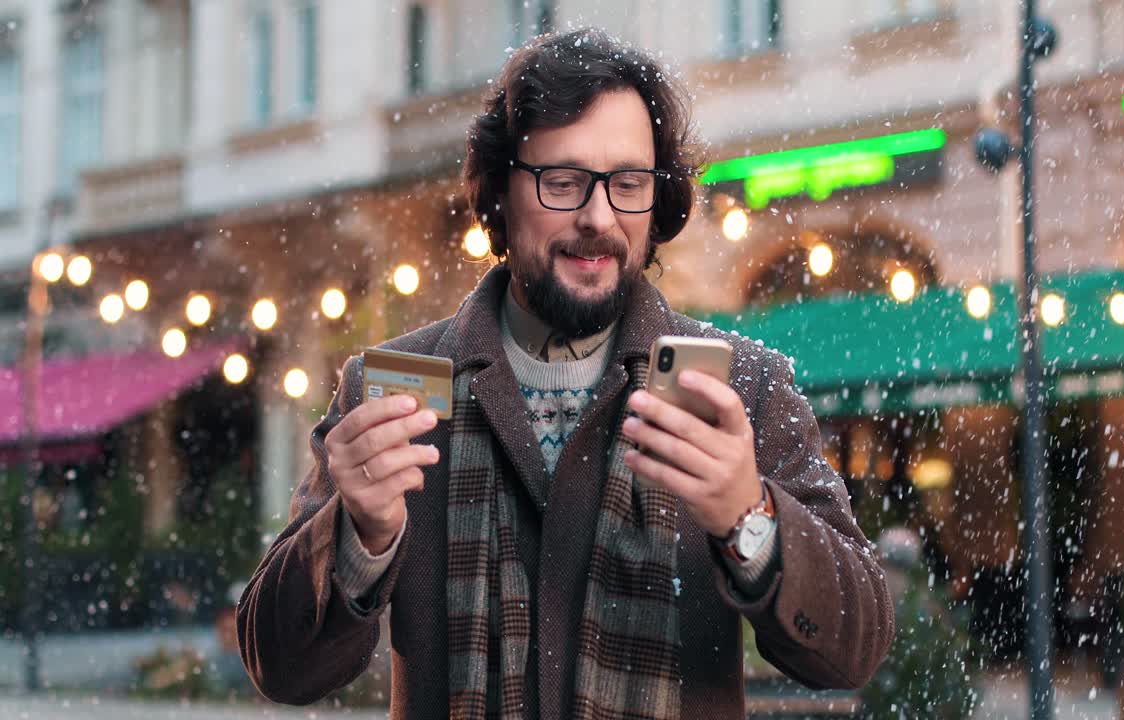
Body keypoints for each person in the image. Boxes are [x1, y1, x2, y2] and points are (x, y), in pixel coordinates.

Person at [237, 28, 893, 720]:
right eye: (563, 182)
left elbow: (856, 646)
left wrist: (748, 519)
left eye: (628, 184)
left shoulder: (740, 388)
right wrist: (357, 536)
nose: (597, 217)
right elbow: (279, 667)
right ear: (500, 194)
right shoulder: (396, 389)